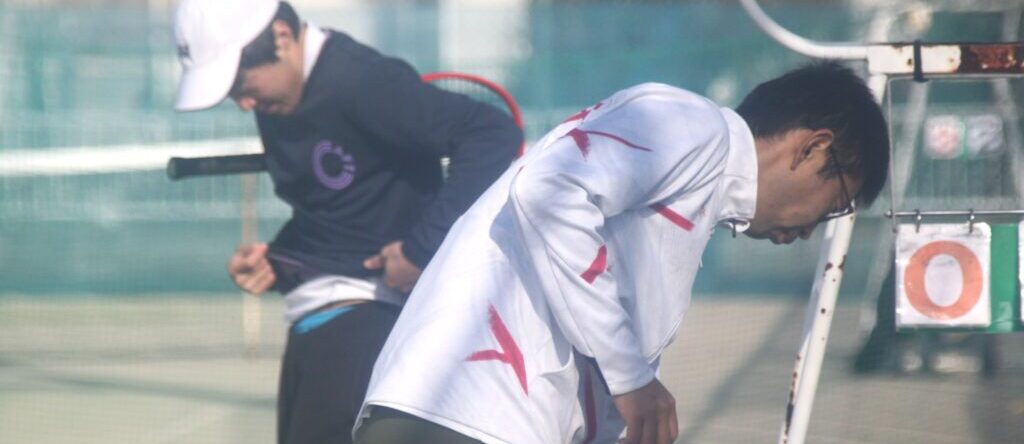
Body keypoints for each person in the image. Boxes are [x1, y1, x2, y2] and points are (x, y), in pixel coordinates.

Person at [354, 62, 889, 444]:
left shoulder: (699, 187)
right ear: (812, 147)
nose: (812, 230)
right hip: (463, 418)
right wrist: (633, 379)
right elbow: (548, 193)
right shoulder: (692, 126)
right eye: (834, 204)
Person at [172, 1, 522, 443]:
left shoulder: (365, 82)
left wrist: (420, 251)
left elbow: (491, 134)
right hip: (314, 320)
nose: (243, 104)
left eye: (241, 82)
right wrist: (278, 259)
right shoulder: (275, 98)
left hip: (368, 319)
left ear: (282, 37)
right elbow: (332, 204)